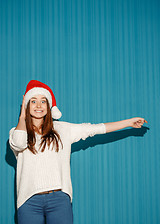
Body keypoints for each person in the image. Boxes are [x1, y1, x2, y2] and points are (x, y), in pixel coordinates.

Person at [9, 80, 147, 224]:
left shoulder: (62, 129)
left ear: (49, 106)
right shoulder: (16, 132)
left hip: (59, 199)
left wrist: (128, 122)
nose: (38, 106)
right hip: (29, 201)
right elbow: (19, 143)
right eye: (33, 101)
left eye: (43, 101)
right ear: (27, 105)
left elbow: (95, 129)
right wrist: (22, 118)